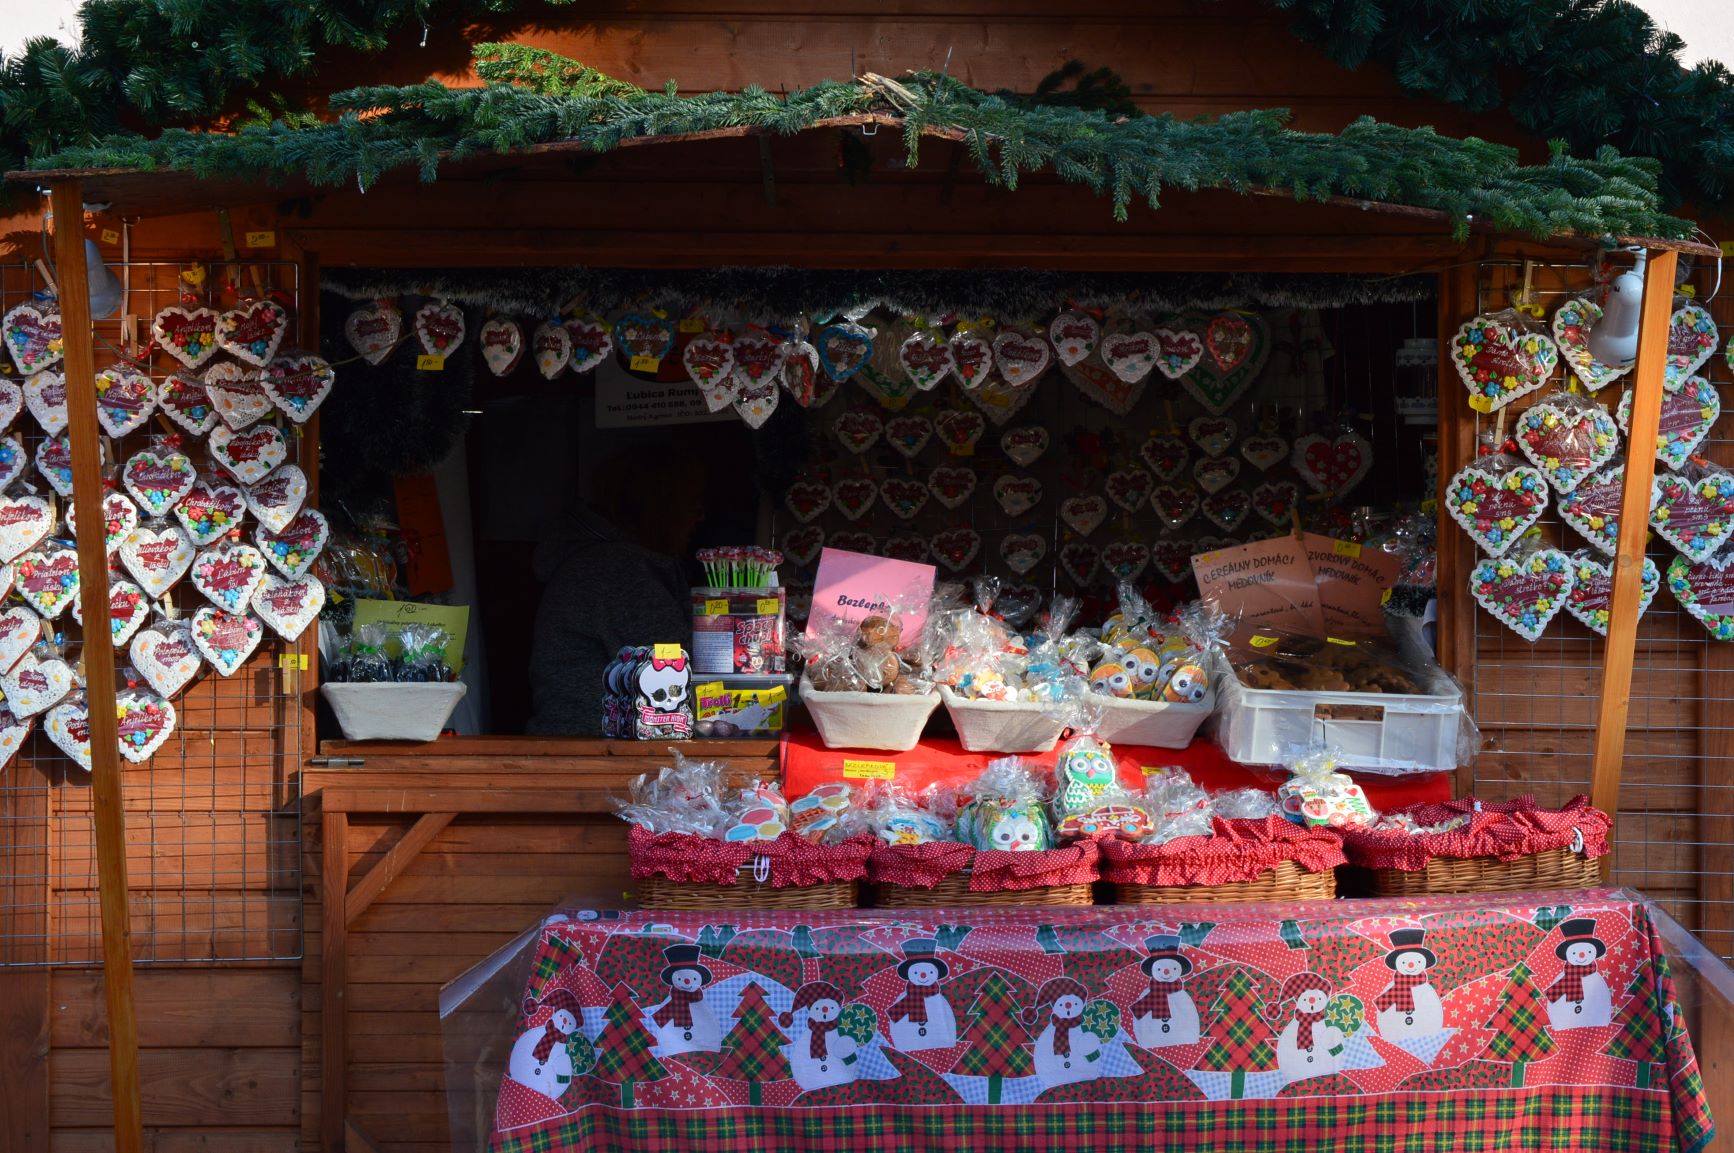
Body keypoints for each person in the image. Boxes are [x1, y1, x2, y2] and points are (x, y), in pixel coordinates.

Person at [526, 448, 704, 734]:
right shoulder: (618, 571)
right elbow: (674, 664)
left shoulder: (605, 562)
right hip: (593, 750)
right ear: (660, 509)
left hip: (582, 742)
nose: (699, 517)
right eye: (691, 505)